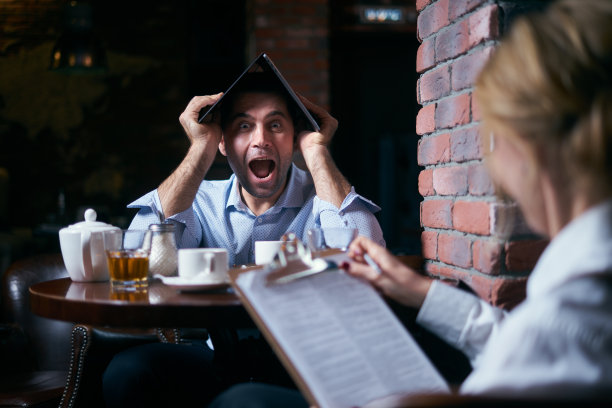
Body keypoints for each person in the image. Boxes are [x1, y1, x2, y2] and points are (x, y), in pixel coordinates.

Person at [208, 0, 612, 405]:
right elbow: (521, 341)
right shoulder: (578, 282)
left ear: (533, 150)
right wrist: (416, 289)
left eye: (494, 134)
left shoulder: (582, 300)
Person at [102, 70, 384, 407]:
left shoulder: (324, 197)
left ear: (294, 138)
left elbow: (370, 259)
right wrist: (200, 148)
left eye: (276, 125)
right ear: (224, 140)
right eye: (243, 126)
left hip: (308, 363)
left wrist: (317, 150)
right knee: (128, 371)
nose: (261, 139)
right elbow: (138, 263)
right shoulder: (198, 199)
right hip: (220, 356)